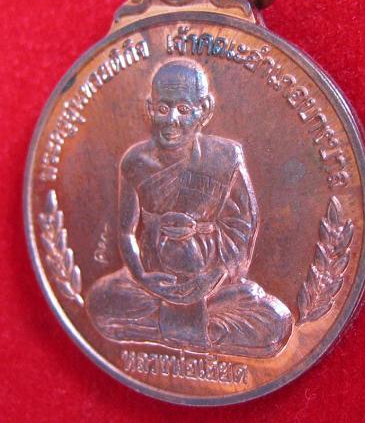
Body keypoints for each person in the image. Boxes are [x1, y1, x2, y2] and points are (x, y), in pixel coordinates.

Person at [86, 60, 292, 357]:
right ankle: (201, 331)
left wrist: (213, 278)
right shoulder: (135, 162)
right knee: (100, 301)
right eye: (163, 108)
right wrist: (142, 276)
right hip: (154, 284)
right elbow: (126, 231)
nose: (171, 120)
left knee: (274, 322)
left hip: (212, 285)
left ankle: (168, 327)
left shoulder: (225, 157)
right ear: (150, 108)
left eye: (183, 109)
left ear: (204, 111)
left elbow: (242, 227)